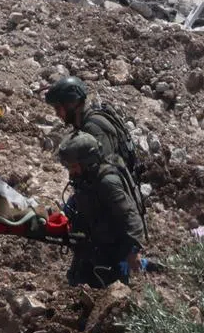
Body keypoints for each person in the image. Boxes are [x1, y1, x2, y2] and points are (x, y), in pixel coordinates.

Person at [56, 132, 146, 289]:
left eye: (73, 167)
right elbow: (78, 198)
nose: (70, 172)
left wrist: (133, 250)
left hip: (111, 256)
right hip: (90, 248)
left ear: (88, 163)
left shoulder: (107, 183)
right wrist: (64, 214)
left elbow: (131, 217)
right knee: (75, 288)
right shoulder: (85, 179)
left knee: (108, 296)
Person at [45, 76, 138, 175]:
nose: (57, 114)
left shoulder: (93, 128)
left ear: (71, 105)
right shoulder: (83, 124)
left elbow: (106, 171)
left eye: (58, 108)